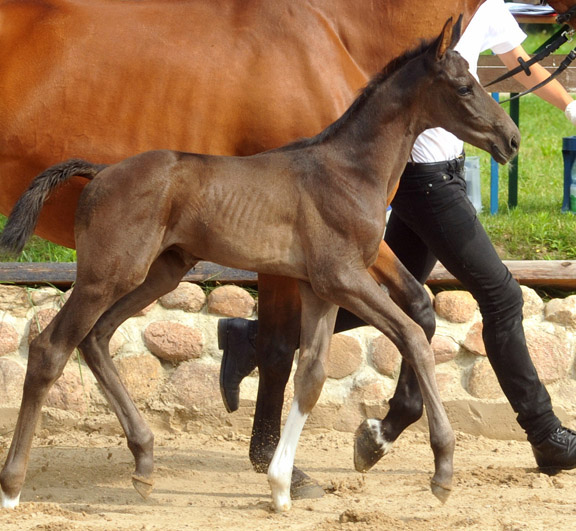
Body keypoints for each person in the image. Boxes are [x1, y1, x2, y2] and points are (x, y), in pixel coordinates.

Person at [218, 0, 576, 470]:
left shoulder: (488, 9)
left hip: (446, 172)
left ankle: (253, 340)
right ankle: (545, 433)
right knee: (502, 297)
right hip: (421, 178)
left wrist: (571, 107)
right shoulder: (420, 13)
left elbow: (522, 67)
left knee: (396, 298)